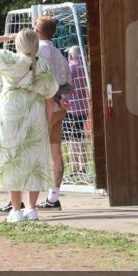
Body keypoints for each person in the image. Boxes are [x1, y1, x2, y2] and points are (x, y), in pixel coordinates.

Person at [0, 29, 58, 222]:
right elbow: (49, 99)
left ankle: (16, 210)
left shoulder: (10, 59)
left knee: (12, 159)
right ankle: (32, 209)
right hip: (36, 115)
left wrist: (7, 38)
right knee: (35, 161)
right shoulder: (44, 65)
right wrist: (48, 124)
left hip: (11, 115)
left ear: (18, 44)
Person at [34, 16, 72, 210]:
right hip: (59, 111)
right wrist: (60, 98)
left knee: (32, 153)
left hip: (42, 109)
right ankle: (53, 197)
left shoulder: (37, 51)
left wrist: (52, 96)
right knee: (57, 154)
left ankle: (21, 199)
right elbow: (68, 85)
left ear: (38, 30)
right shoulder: (59, 53)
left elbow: (37, 80)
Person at [63, 45, 90, 178]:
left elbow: (67, 87)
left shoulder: (70, 66)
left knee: (71, 138)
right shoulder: (85, 67)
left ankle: (74, 168)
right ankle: (83, 166)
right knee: (81, 136)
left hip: (71, 106)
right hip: (83, 106)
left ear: (71, 55)